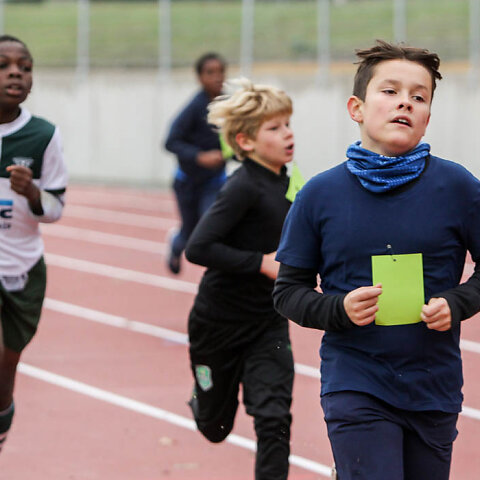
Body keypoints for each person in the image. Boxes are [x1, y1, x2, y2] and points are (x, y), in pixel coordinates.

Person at [273, 40, 480, 480]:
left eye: (419, 97)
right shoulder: (320, 195)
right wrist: (339, 309)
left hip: (433, 386)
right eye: (390, 91)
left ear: (427, 117)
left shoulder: (458, 187)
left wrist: (458, 302)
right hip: (356, 381)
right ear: (357, 108)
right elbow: (287, 292)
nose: (405, 102)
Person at [184, 78, 297, 480]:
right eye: (275, 127)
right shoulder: (242, 187)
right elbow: (198, 248)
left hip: (268, 322)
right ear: (245, 142)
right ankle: (202, 398)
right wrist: (260, 263)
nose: (288, 134)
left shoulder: (291, 180)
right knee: (215, 427)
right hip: (219, 323)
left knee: (274, 417)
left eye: (288, 124)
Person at [0, 34, 68, 453]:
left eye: (24, 67)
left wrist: (32, 194)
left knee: (5, 367)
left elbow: (56, 209)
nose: (16, 73)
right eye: (4, 65)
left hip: (22, 269)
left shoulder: (43, 135)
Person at [164, 52, 231, 274]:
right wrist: (199, 156)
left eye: (221, 71)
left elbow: (236, 140)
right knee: (190, 234)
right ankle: (176, 245)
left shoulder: (230, 106)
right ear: (200, 77)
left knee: (211, 229)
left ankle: (215, 278)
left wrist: (233, 154)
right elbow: (171, 141)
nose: (217, 77)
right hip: (188, 183)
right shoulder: (194, 107)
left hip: (215, 182)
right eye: (210, 72)